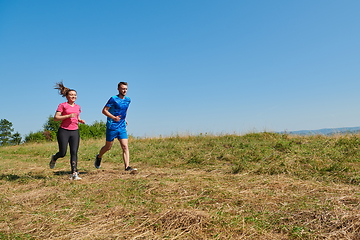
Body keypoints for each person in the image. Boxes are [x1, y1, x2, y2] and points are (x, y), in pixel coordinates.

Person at [94, 82, 137, 171]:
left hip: (122, 126)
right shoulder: (113, 99)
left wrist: (125, 119)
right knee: (108, 147)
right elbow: (104, 110)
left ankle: (127, 167)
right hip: (112, 126)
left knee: (125, 146)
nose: (124, 90)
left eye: (126, 89)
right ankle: (99, 156)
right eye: (122, 88)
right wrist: (113, 117)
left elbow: (124, 110)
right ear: (118, 89)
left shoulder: (128, 100)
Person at [49, 82, 86, 180]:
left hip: (75, 131)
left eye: (75, 95)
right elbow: (56, 118)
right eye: (71, 95)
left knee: (74, 152)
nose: (73, 96)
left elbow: (76, 116)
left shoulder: (78, 107)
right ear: (67, 96)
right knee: (63, 152)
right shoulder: (62, 105)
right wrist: (68, 116)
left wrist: (80, 120)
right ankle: (54, 158)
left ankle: (74, 173)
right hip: (64, 131)